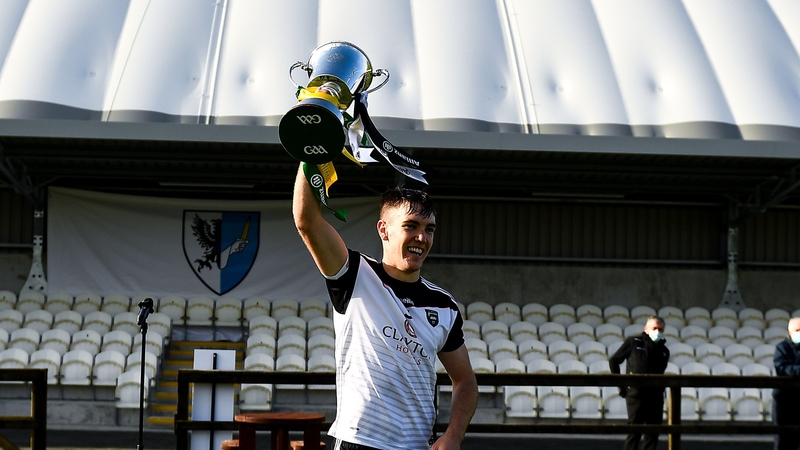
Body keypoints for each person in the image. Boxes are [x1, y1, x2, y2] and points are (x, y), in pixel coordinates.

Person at [292, 165, 478, 450]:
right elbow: (307, 221)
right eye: (411, 226)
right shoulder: (354, 275)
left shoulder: (444, 305)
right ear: (384, 230)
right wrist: (311, 158)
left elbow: (465, 380)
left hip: (417, 446)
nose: (422, 238)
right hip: (357, 443)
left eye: (429, 229)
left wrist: (453, 435)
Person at [608, 315, 670, 450]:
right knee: (634, 431)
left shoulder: (664, 350)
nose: (657, 332)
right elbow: (614, 361)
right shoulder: (633, 342)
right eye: (654, 328)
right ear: (646, 328)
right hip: (636, 394)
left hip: (656, 396)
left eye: (660, 329)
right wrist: (621, 386)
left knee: (653, 433)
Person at [773, 317, 800, 450]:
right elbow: (782, 368)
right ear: (789, 332)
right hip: (784, 400)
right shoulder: (782, 348)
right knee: (783, 438)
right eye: (797, 330)